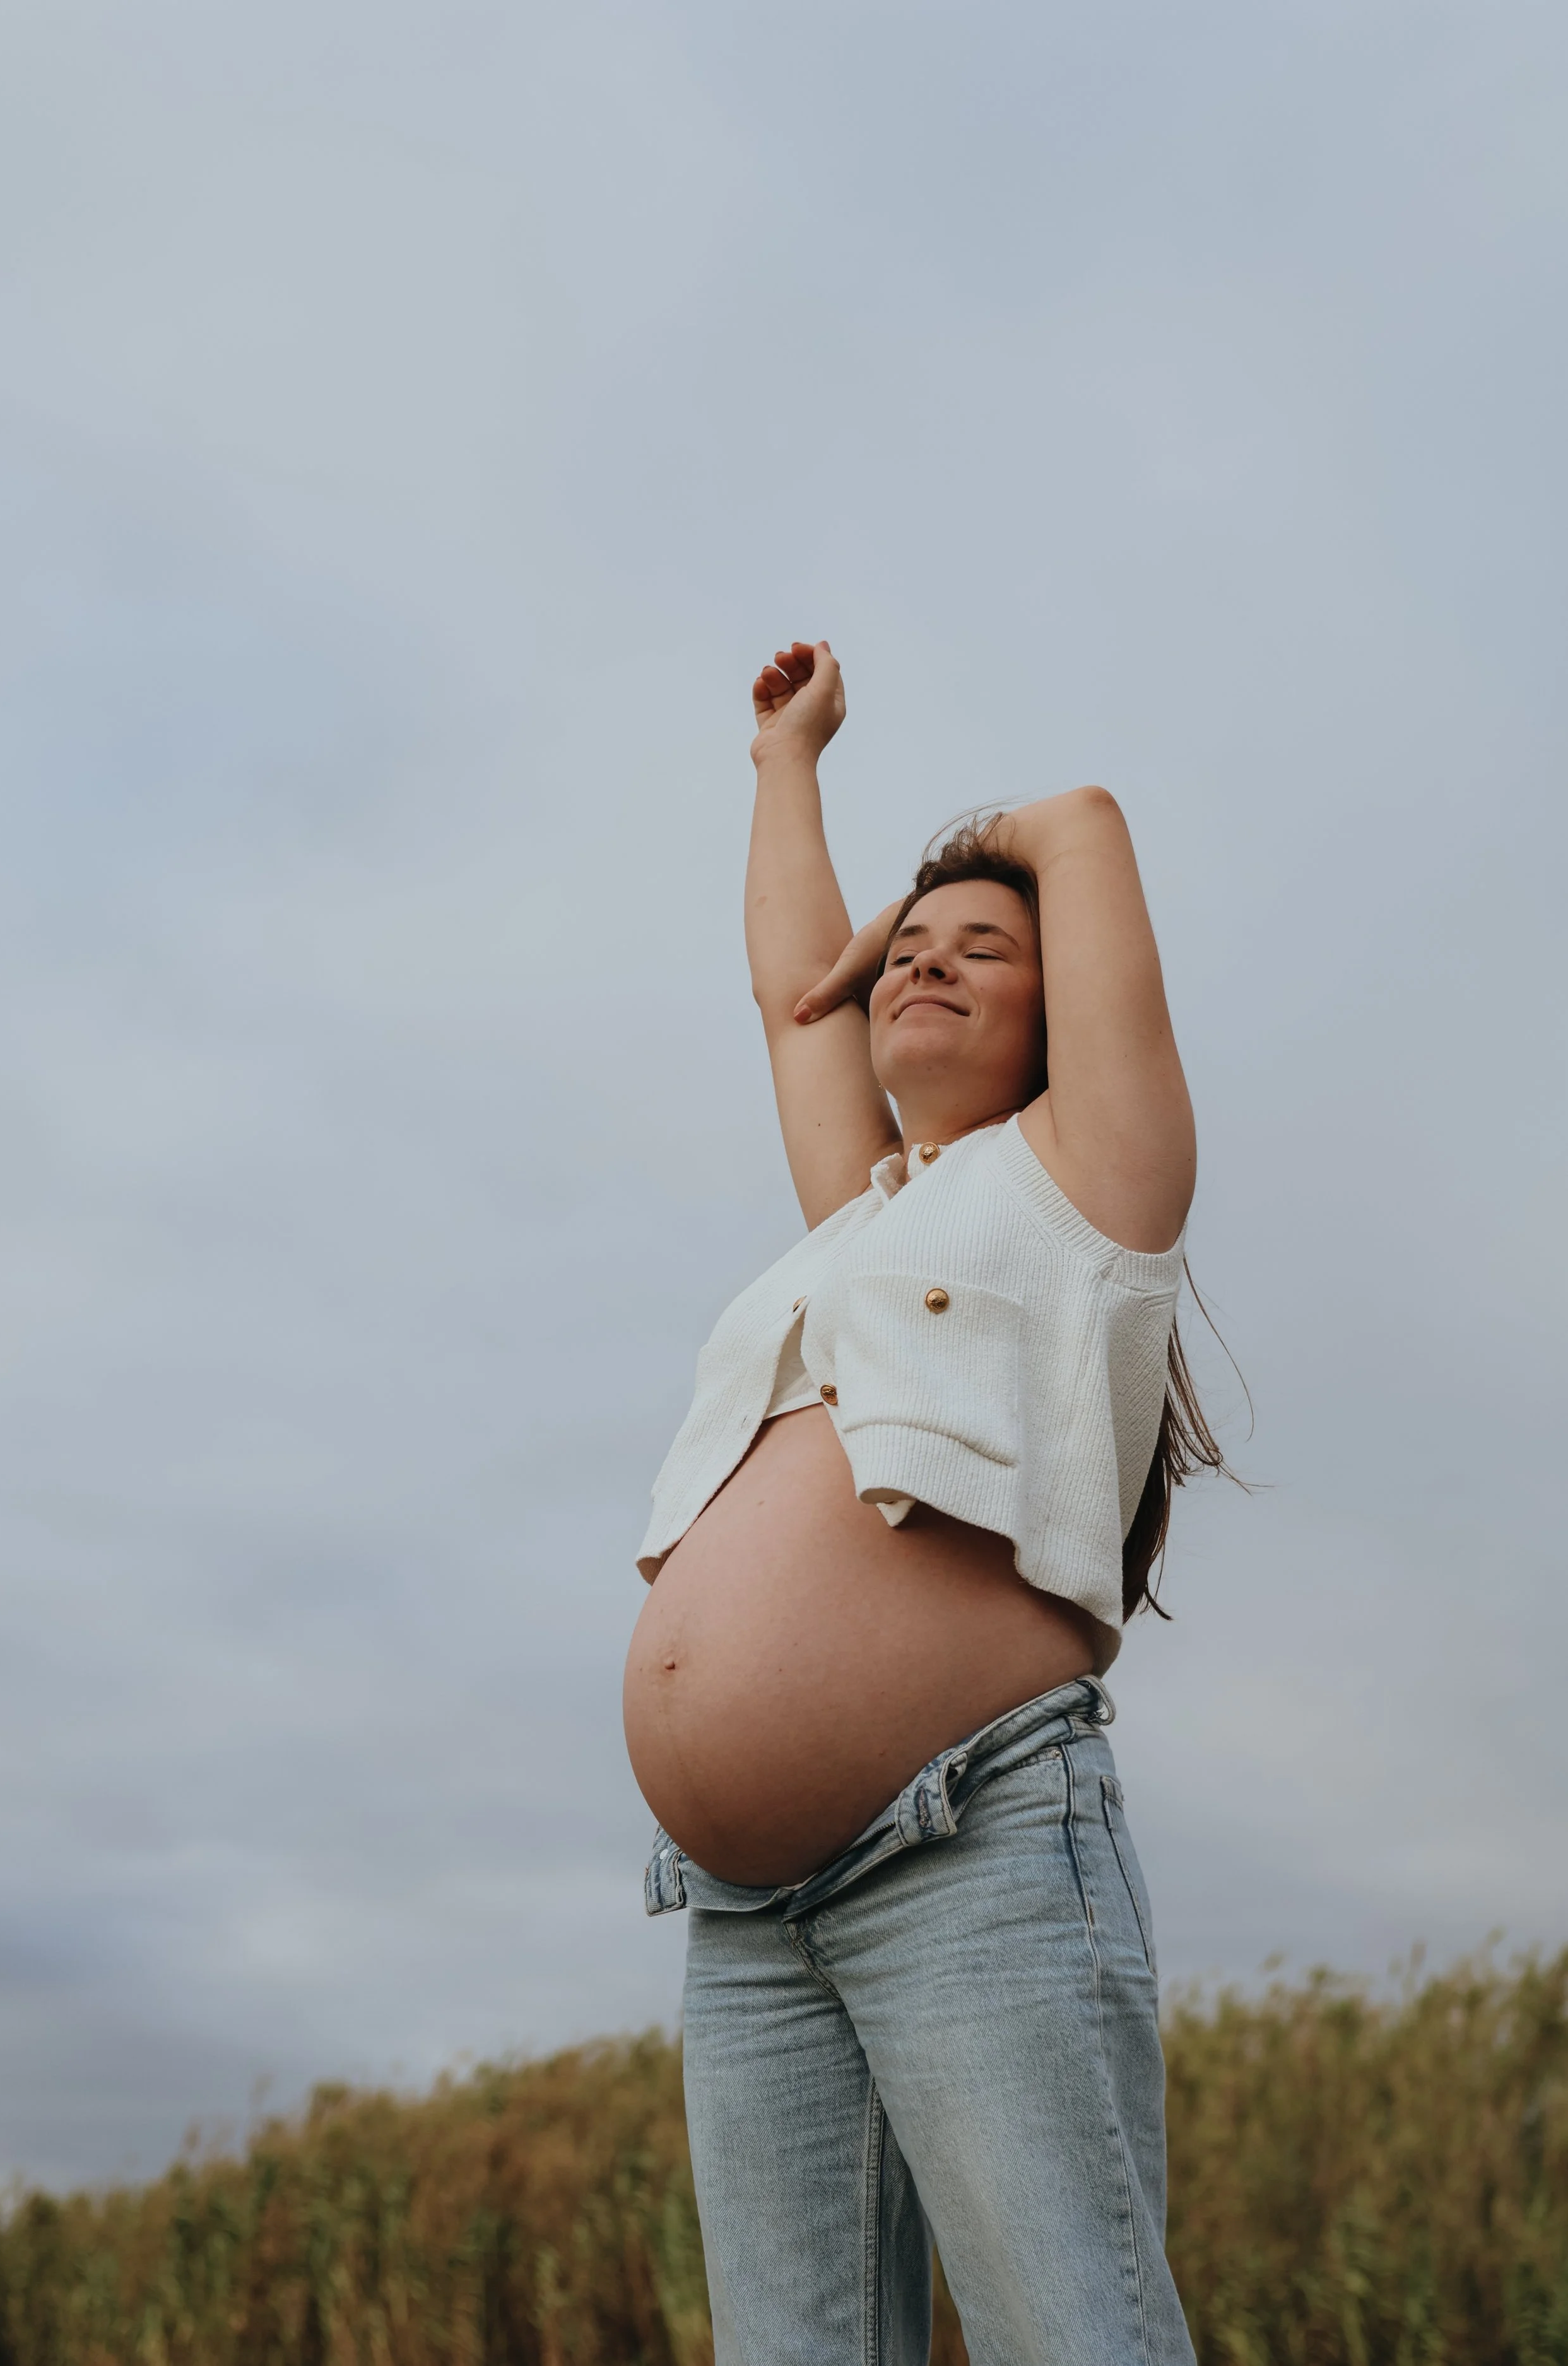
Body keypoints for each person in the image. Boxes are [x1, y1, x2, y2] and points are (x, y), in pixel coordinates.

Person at [623, 639, 1221, 2366]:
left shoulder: (1088, 1190)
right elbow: (783, 996)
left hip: (963, 1851)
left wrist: (925, 887)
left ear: (1057, 1022)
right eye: (909, 955)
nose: (923, 967)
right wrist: (785, 760)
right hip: (744, 1910)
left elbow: (1078, 818)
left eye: (980, 952)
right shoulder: (855, 1220)